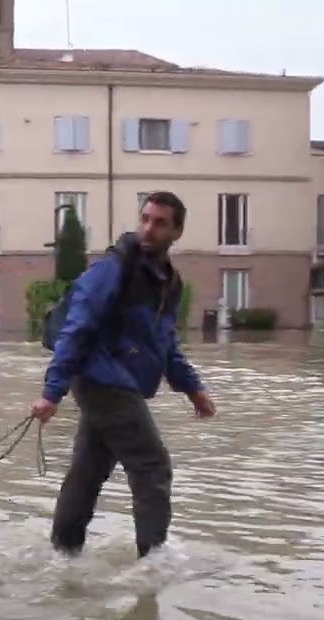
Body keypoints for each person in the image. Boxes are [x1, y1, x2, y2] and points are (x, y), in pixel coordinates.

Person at [32, 191, 216, 559]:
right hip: (104, 382)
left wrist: (192, 388)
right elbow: (76, 330)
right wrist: (52, 392)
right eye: (145, 219)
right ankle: (154, 562)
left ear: (177, 231)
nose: (149, 228)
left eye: (160, 222)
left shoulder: (168, 283)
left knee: (88, 471)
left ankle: (63, 555)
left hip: (118, 382)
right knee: (152, 466)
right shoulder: (113, 270)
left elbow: (164, 343)